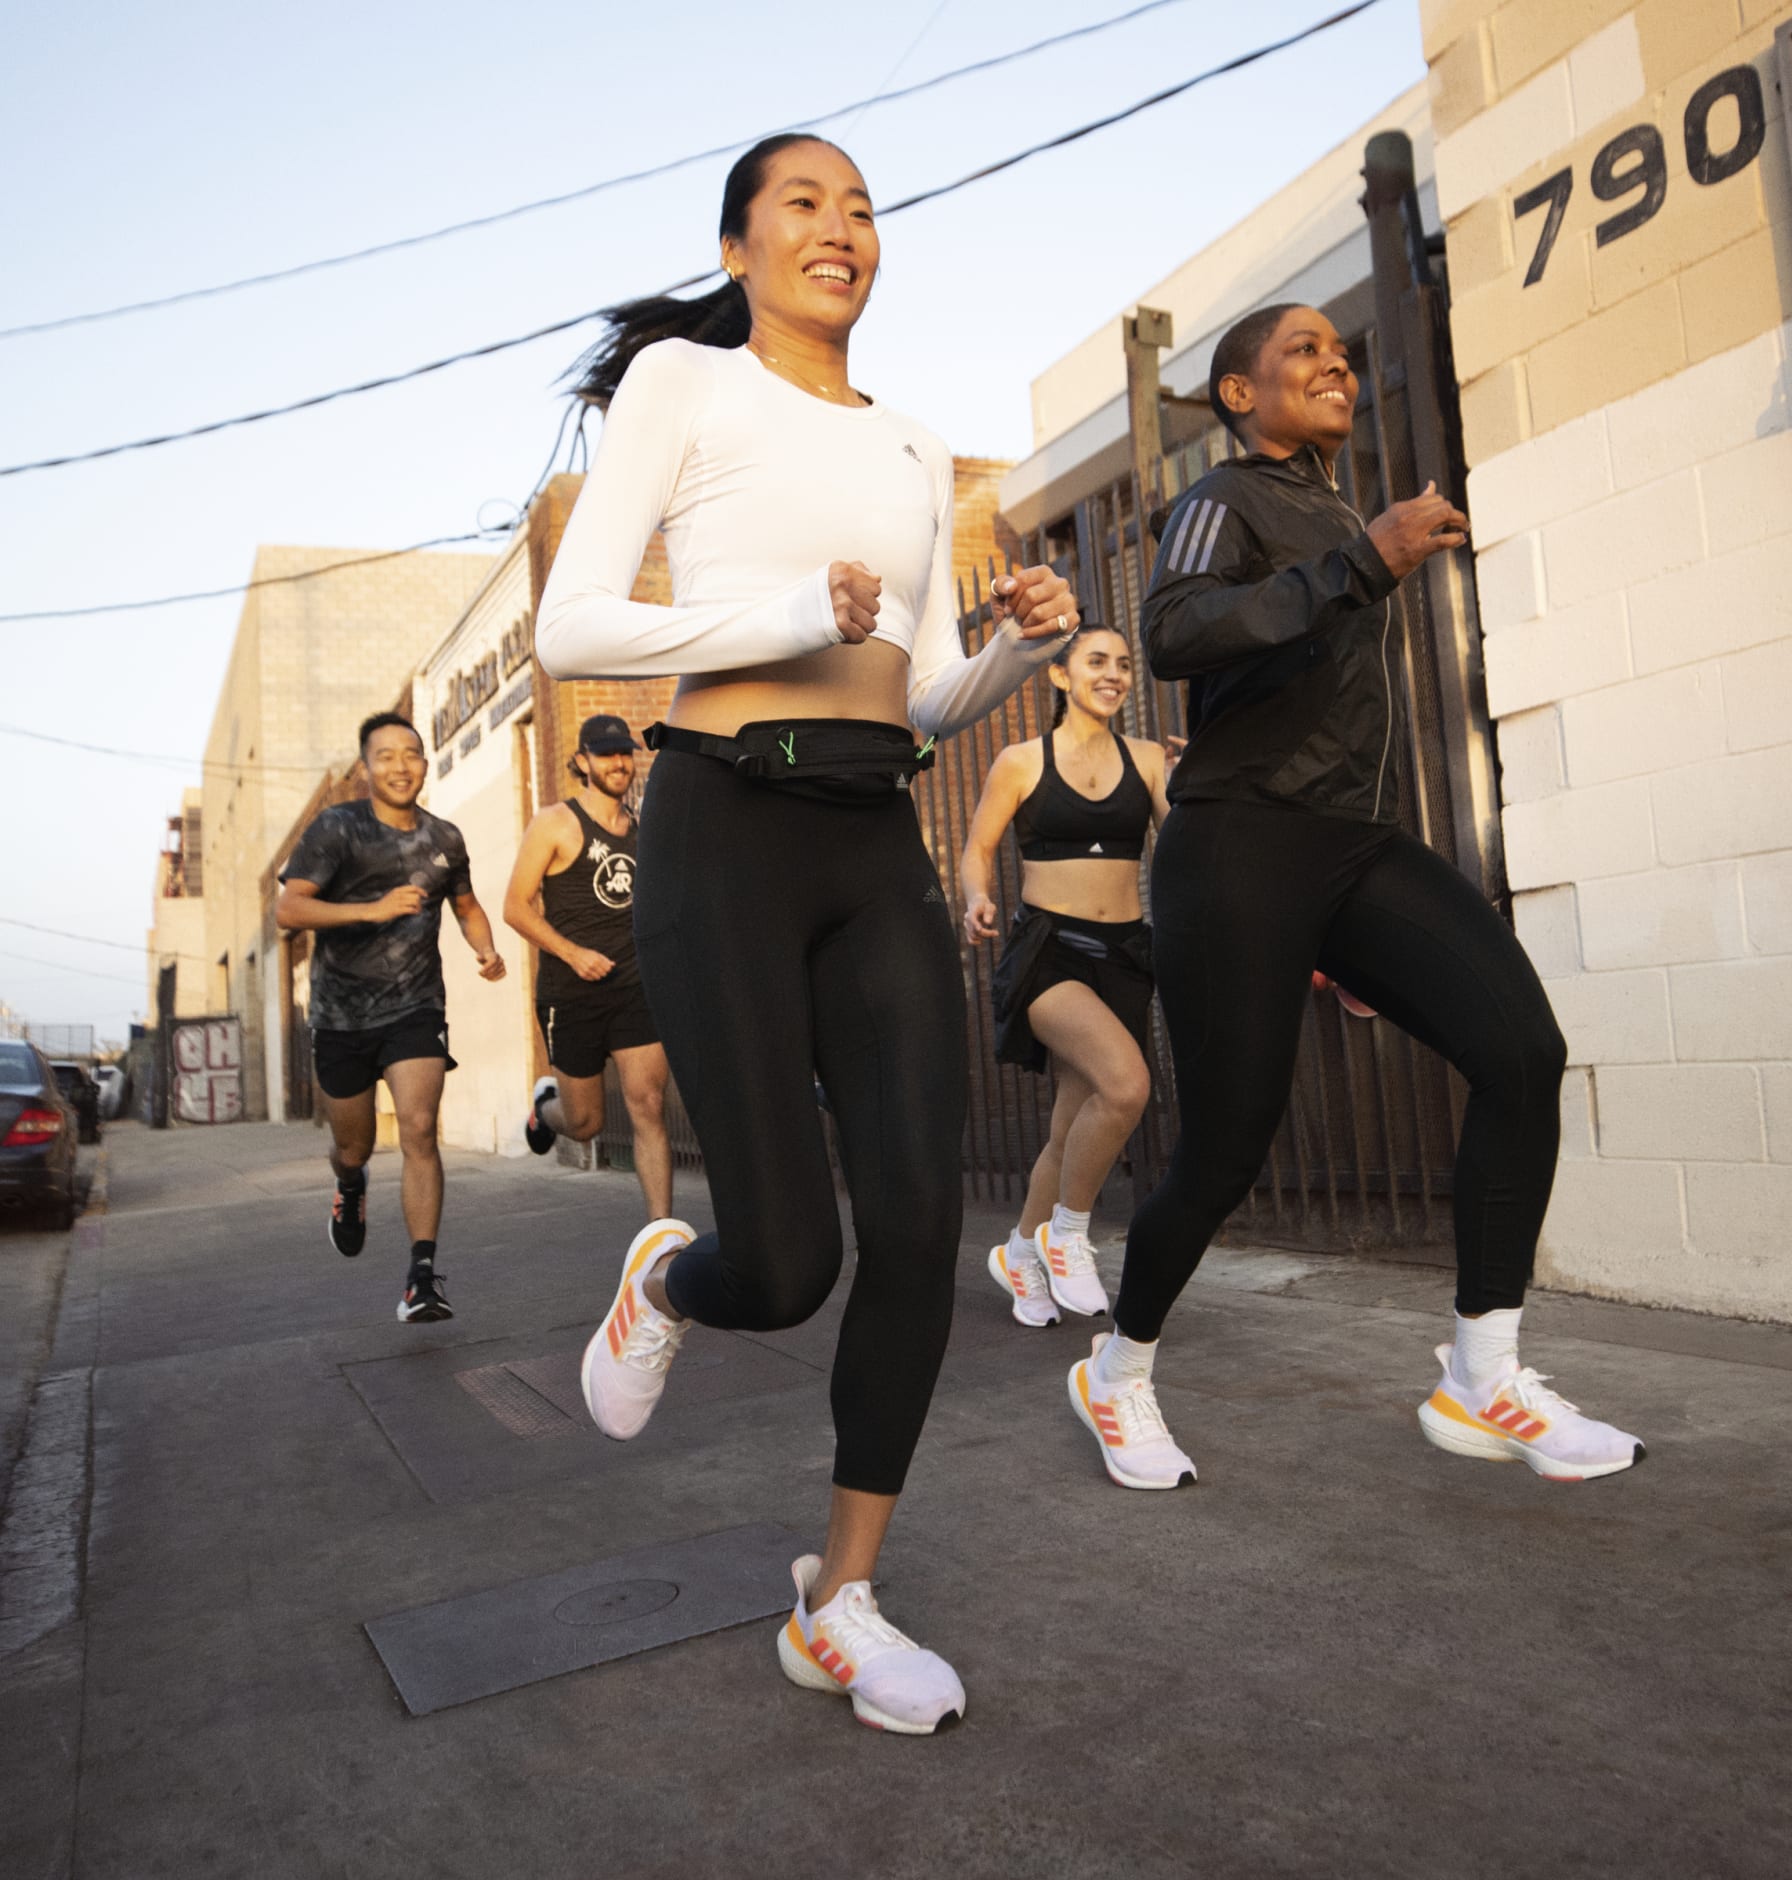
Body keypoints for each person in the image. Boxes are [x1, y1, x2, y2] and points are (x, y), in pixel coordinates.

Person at [534, 133, 1080, 1734]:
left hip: (871, 831)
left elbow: (904, 700)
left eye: (862, 208)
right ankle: (673, 1280)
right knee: (788, 1262)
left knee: (920, 1224)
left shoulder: (915, 447)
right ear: (737, 245)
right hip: (722, 824)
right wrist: (786, 614)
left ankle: (837, 1597)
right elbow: (577, 625)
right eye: (804, 203)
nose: (841, 228)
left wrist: (1008, 658)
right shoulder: (688, 394)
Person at [1068, 303, 1644, 1493]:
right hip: (1236, 848)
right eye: (1301, 352)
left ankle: (1480, 1374)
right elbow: (1170, 632)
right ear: (1238, 393)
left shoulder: (1334, 505)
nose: (1335, 361)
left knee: (1520, 1050)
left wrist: (1353, 549)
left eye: (1340, 350)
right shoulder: (1220, 500)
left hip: (1350, 845)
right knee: (1226, 1148)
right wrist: (1356, 563)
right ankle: (1116, 1370)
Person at [959, 623, 1170, 1328]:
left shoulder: (1147, 760)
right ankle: (1068, 1236)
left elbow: (1181, 846)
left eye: (1121, 664)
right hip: (1049, 953)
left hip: (1127, 954)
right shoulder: (1022, 761)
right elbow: (977, 847)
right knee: (1127, 1083)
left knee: (1071, 1124)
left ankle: (1020, 1251)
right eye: (1095, 662)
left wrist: (1195, 782)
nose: (1111, 674)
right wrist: (976, 896)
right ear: (1061, 676)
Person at [276, 712, 506, 1323]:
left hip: (415, 1006)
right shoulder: (336, 829)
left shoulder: (444, 838)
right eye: (386, 756)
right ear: (365, 768)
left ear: (425, 764)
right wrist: (371, 910)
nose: (401, 767)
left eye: (412, 755)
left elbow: (466, 904)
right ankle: (350, 1188)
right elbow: (289, 909)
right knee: (355, 1146)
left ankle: (421, 1278)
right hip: (341, 1015)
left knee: (419, 1128)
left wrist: (483, 946)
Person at [503, 713, 672, 1221]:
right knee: (585, 1123)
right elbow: (515, 906)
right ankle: (544, 1109)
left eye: (624, 753)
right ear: (582, 761)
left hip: (633, 989)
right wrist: (573, 953)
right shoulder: (556, 822)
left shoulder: (644, 830)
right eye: (605, 754)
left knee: (648, 1106)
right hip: (569, 992)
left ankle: (659, 1238)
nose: (618, 763)